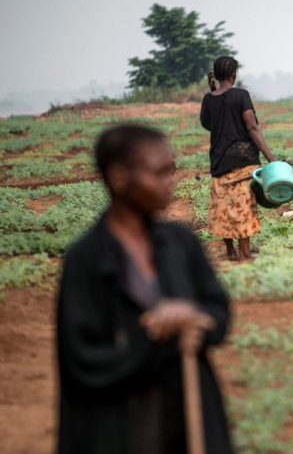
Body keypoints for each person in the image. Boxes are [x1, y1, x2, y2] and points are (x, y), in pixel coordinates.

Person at [56, 124, 233, 454]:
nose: (171, 183)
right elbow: (81, 360)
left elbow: (218, 311)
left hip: (185, 413)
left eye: (172, 171)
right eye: (159, 173)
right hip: (119, 427)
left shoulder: (182, 244)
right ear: (120, 178)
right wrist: (156, 337)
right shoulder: (88, 260)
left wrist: (195, 316)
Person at [201, 56, 277, 260]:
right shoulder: (241, 95)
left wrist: (212, 90)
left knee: (223, 207)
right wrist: (271, 158)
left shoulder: (209, 99)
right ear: (234, 75)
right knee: (243, 206)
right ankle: (245, 252)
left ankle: (230, 251)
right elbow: (252, 127)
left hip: (219, 161)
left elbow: (209, 124)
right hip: (243, 159)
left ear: (215, 76)